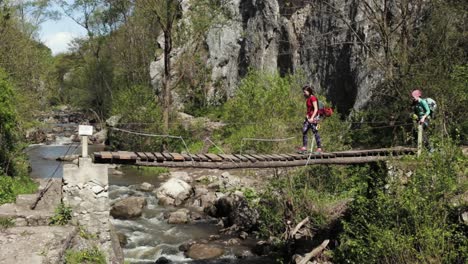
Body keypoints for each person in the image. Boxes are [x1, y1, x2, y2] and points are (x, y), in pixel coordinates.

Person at [299, 85, 322, 153]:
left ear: (309, 91)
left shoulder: (313, 98)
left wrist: (312, 118)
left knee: (315, 132)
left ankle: (319, 148)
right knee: (304, 130)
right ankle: (304, 147)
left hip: (314, 118)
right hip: (308, 118)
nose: (304, 93)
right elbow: (309, 110)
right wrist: (307, 116)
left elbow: (316, 109)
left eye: (304, 92)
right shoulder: (308, 99)